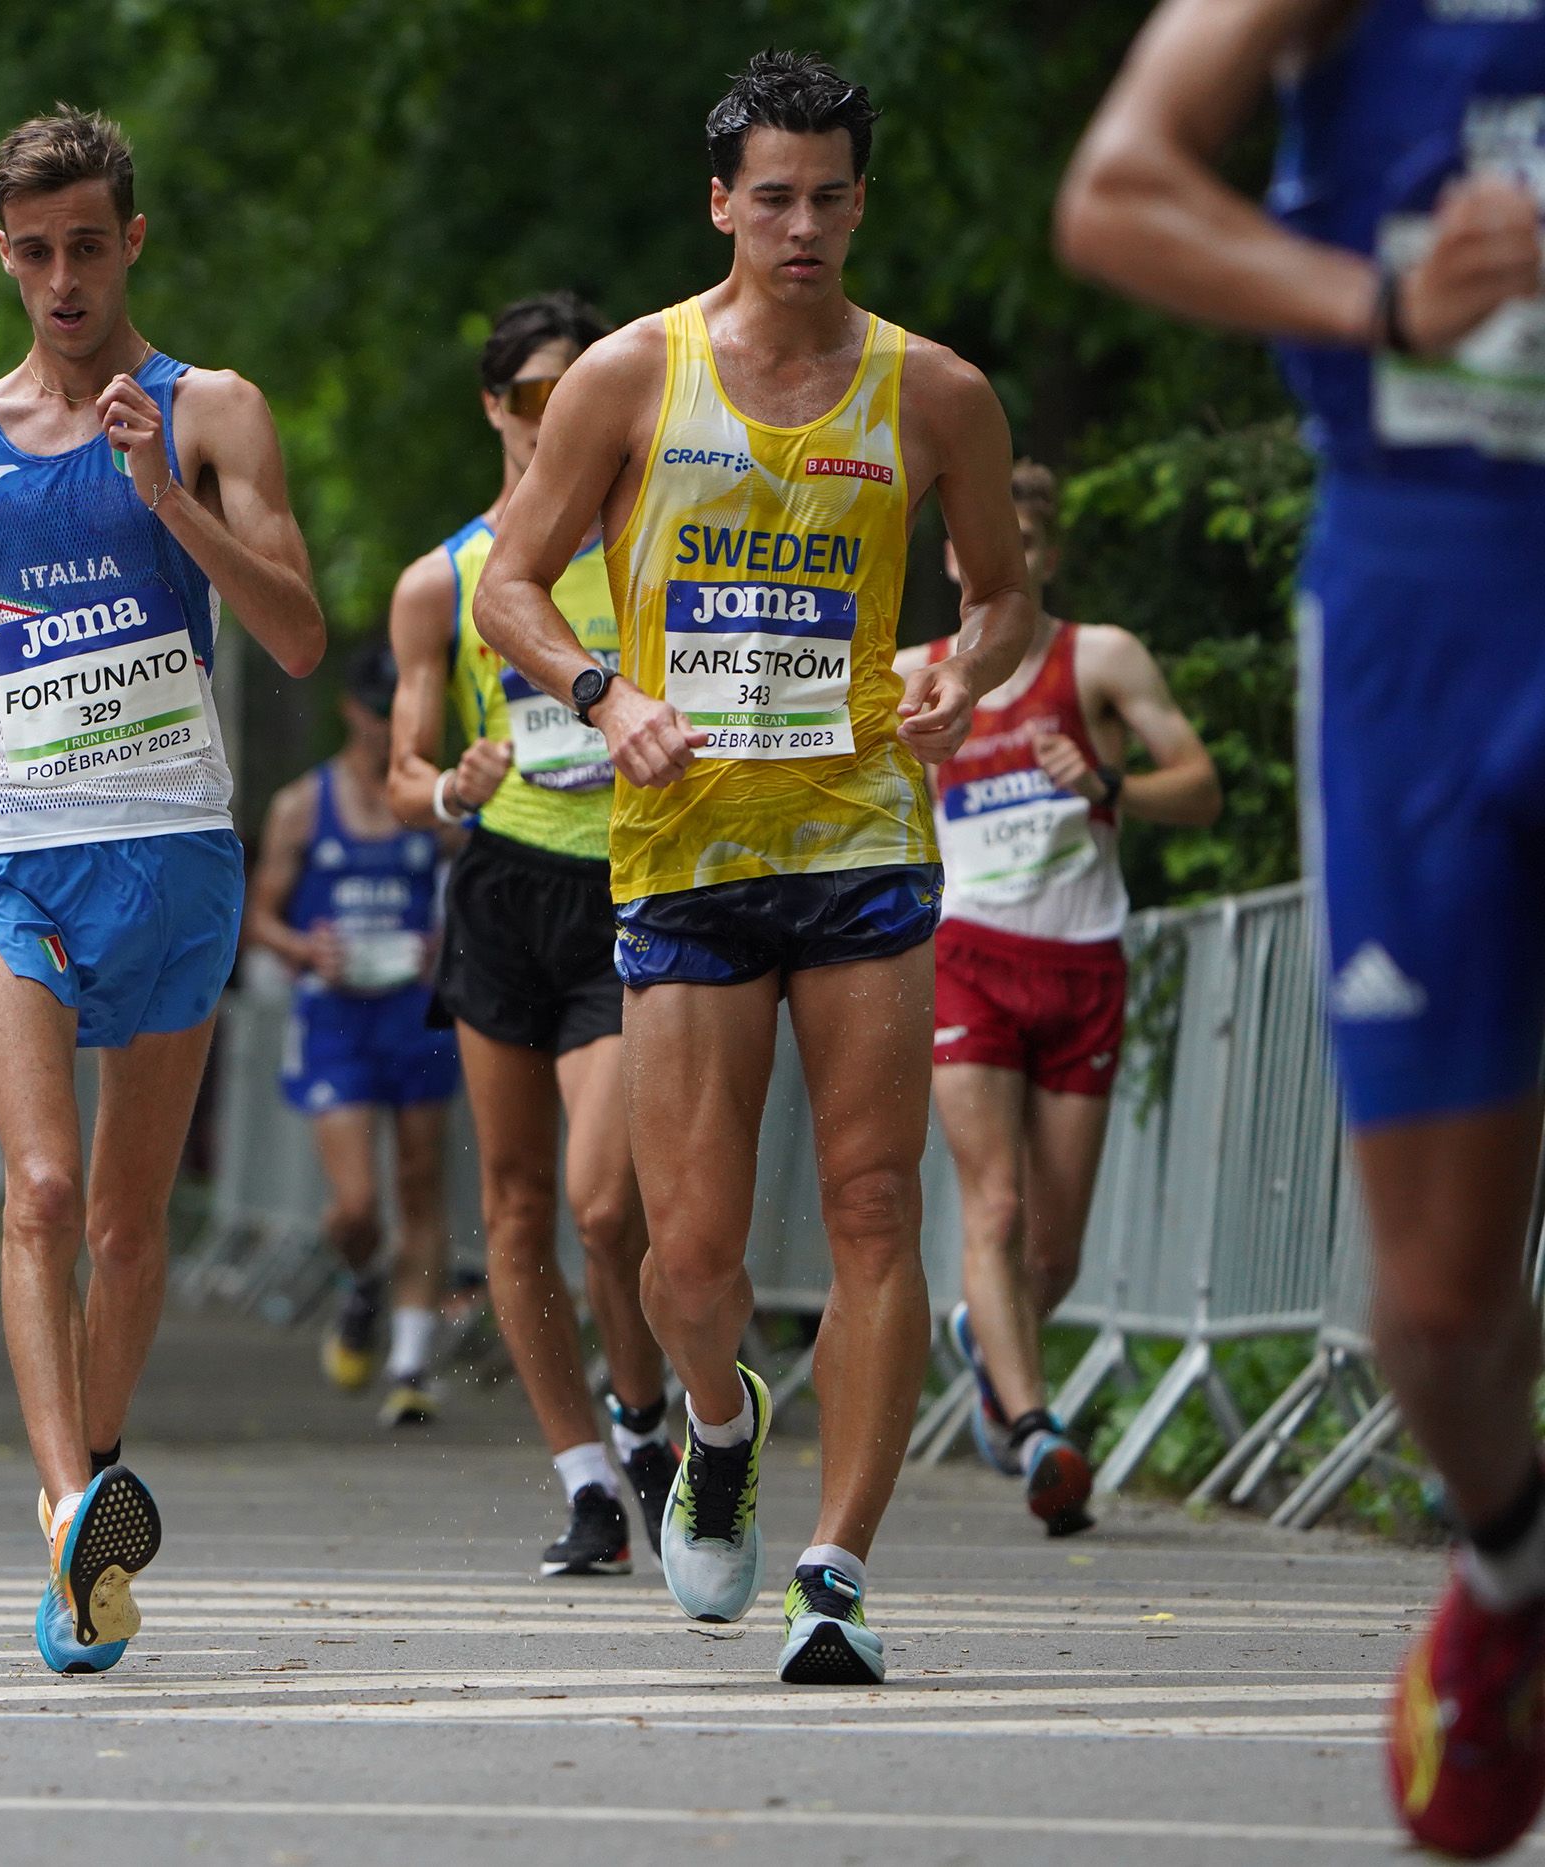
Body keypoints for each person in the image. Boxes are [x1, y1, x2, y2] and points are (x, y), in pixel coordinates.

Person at [476, 51, 1040, 1685]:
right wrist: (604, 692)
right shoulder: (633, 379)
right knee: (692, 1255)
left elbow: (1001, 594)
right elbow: (513, 583)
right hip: (681, 854)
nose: (804, 225)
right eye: (773, 197)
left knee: (874, 1201)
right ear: (721, 202)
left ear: (863, 204)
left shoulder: (933, 391)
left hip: (862, 834)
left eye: (831, 197)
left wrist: (964, 669)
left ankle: (839, 1569)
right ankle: (716, 1419)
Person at [1057, 5, 1545, 1851]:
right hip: (1431, 609)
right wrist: (1379, 297)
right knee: (1432, 1306)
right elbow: (1113, 193)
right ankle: (1510, 1568)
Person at [0, 107, 324, 1676]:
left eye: (88, 247)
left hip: (175, 846)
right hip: (11, 843)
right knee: (42, 1192)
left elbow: (304, 636)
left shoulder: (214, 412)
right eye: (34, 251)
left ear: (133, 242)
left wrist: (170, 500)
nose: (62, 279)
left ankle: (97, 1483)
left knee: (130, 1223)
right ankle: (70, 1507)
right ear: (5, 253)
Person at [385, 292, 681, 1577]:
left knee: (603, 1202)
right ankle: (586, 1482)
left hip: (628, 886)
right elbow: (401, 767)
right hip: (503, 892)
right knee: (511, 1205)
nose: (558, 413)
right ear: (497, 407)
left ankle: (646, 1410)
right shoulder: (441, 581)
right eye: (535, 393)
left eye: (582, 388)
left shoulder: (642, 546)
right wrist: (449, 782)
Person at [890, 460, 1222, 1536]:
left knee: (1051, 1253)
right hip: (971, 954)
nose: (1009, 560)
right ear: (953, 558)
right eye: (989, 544)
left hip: (1082, 962)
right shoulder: (912, 675)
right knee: (990, 1207)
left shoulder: (1101, 659)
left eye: (1029, 544)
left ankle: (987, 1344)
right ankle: (1036, 1429)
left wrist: (1107, 785)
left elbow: (1203, 786)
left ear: (1048, 555)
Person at [244, 641, 460, 1428]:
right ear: (351, 711)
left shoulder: (430, 798)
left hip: (414, 1009)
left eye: (397, 711)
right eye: (374, 711)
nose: (383, 727)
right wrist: (305, 948)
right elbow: (258, 913)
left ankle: (409, 1362)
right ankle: (362, 1280)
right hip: (335, 1015)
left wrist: (449, 940)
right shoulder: (304, 804)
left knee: (419, 1176)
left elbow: (474, 884)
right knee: (358, 1203)